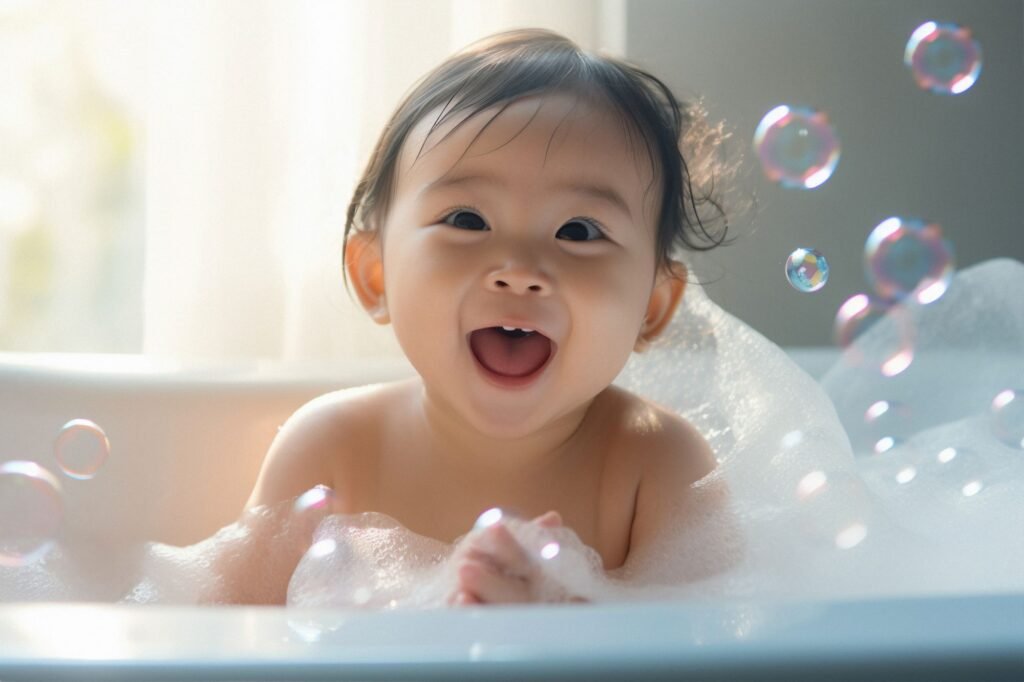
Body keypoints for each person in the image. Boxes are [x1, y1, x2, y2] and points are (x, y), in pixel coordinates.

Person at [237, 27, 736, 607]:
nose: (520, 268)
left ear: (653, 307)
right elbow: (226, 642)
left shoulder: (658, 466)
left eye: (579, 231)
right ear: (375, 276)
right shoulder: (330, 451)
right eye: (468, 220)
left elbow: (704, 653)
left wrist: (565, 626)